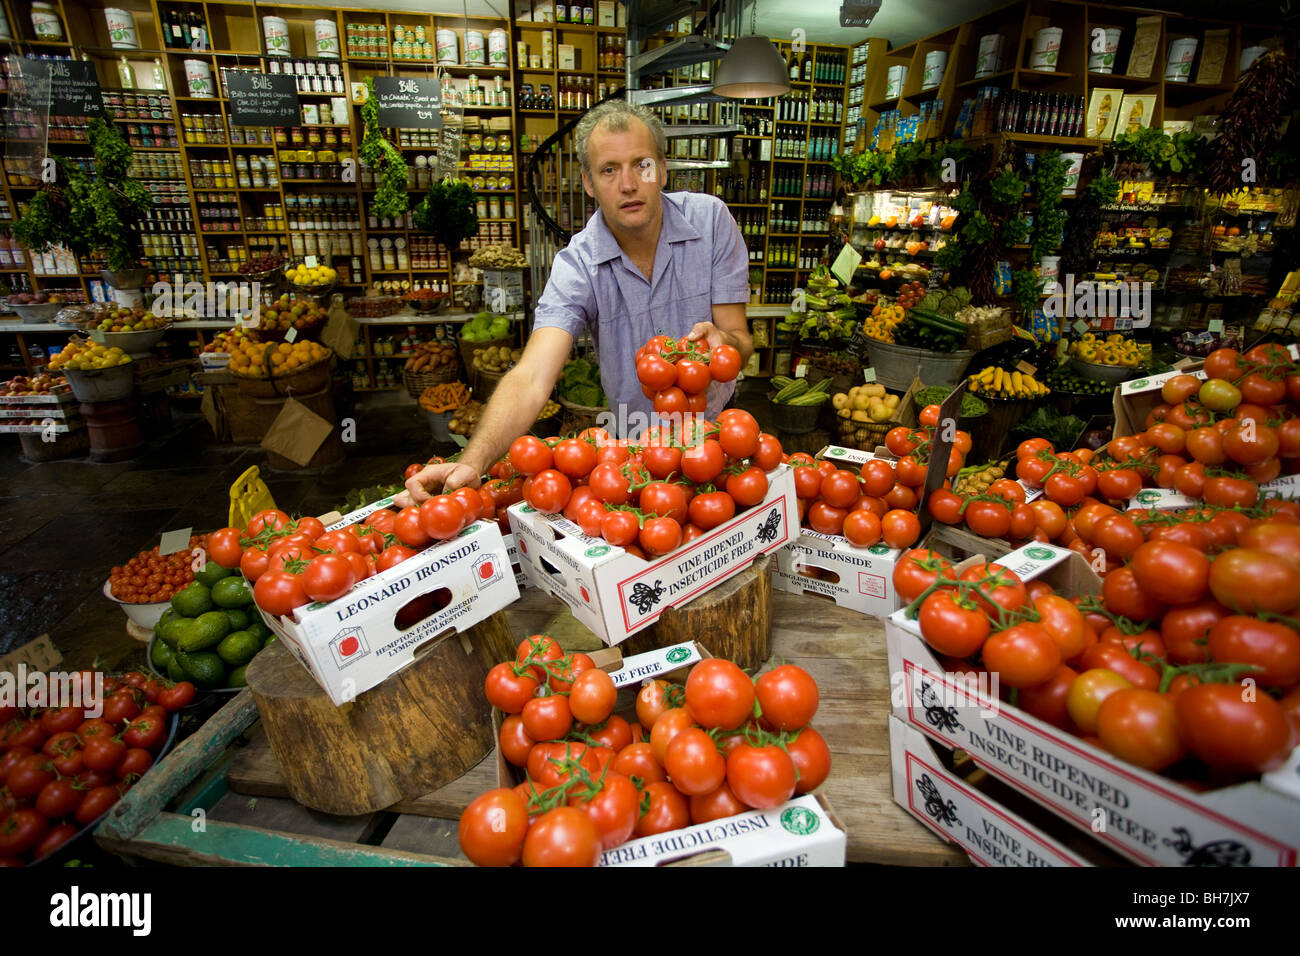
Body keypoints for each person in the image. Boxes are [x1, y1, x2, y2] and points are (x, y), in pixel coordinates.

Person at [399, 98, 753, 505]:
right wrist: (472, 462)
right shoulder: (579, 263)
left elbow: (742, 340)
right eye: (608, 170)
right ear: (588, 183)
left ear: (663, 169)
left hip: (718, 442)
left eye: (642, 164)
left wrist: (723, 343)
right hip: (636, 457)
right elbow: (532, 376)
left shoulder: (711, 222)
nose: (628, 184)